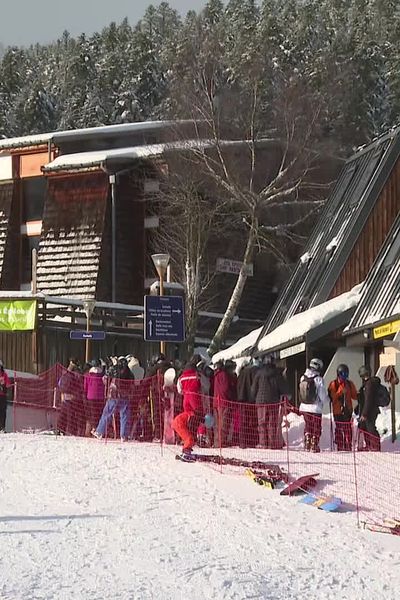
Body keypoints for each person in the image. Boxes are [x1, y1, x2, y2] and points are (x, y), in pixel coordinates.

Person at [93, 357, 134, 441]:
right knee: (124, 416)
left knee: (107, 413)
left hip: (114, 396)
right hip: (125, 396)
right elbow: (132, 385)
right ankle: (124, 435)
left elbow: (105, 379)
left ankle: (99, 431)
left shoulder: (115, 370)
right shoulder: (130, 373)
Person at [251, 355, 285, 449]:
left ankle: (263, 443)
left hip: (261, 401)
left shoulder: (259, 373)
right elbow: (282, 387)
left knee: (261, 422)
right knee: (272, 423)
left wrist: (254, 397)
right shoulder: (277, 374)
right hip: (273, 401)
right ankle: (271, 443)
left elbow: (254, 388)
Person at [172, 356, 203, 454]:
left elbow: (179, 389)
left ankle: (187, 437)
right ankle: (196, 437)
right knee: (198, 416)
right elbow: (204, 386)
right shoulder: (196, 374)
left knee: (188, 417)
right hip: (195, 397)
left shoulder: (182, 376)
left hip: (185, 398)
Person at [299, 358, 329, 452]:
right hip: (316, 408)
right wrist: (328, 400)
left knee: (308, 424)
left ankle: (307, 441)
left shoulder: (302, 377)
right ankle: (314, 444)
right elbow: (322, 395)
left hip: (304, 406)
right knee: (316, 426)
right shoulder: (319, 379)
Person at [328, 364, 357, 451]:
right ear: (338, 374)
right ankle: (340, 446)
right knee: (339, 429)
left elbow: (354, 396)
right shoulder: (334, 384)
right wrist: (340, 392)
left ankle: (348, 446)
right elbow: (332, 397)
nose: (344, 376)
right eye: (342, 374)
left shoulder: (349, 383)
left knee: (348, 429)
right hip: (338, 411)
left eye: (346, 374)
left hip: (347, 410)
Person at [357, 365, 381, 451]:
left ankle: (375, 446)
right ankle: (370, 445)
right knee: (365, 427)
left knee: (370, 428)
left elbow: (368, 400)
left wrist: (364, 413)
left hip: (370, 411)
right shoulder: (368, 384)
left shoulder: (369, 384)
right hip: (370, 410)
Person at [237, 357, 260, 448]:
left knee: (243, 421)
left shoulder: (240, 374)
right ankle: (252, 441)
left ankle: (243, 442)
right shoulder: (253, 372)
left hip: (241, 399)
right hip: (251, 400)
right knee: (253, 420)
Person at [83, 359, 105, 437]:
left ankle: (93, 428)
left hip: (90, 396)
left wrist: (85, 394)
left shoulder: (88, 375)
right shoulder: (102, 375)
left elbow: (85, 387)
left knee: (92, 413)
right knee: (99, 413)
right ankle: (98, 429)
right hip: (101, 396)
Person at [0, 361, 11, 432]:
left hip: (2, 396)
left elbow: (8, 384)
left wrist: (5, 386)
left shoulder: (4, 374)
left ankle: (2, 427)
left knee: (3, 411)